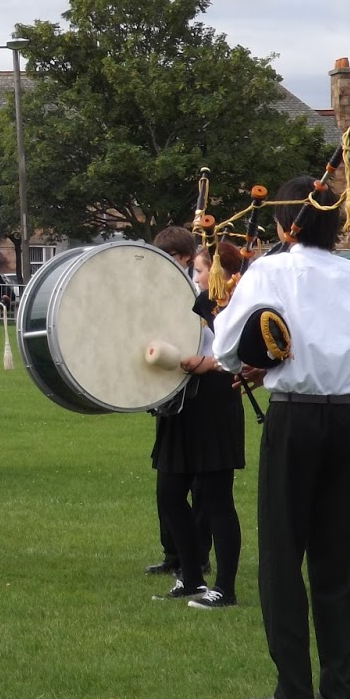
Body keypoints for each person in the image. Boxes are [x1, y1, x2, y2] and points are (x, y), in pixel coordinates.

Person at [212, 175, 350, 699]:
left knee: (283, 555)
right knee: (335, 556)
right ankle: (343, 687)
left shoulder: (273, 268)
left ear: (287, 223)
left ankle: (295, 690)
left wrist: (252, 360)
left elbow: (227, 347)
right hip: (342, 416)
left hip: (295, 417)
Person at [151, 239, 246, 611]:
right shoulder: (190, 302)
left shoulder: (233, 306)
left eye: (203, 269)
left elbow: (242, 354)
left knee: (216, 499)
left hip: (215, 401)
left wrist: (207, 364)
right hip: (181, 403)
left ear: (219, 272)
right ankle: (191, 577)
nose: (197, 275)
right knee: (170, 494)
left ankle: (225, 588)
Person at [144, 227, 212, 581]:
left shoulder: (201, 291)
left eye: (170, 257)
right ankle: (173, 553)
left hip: (201, 394)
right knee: (166, 484)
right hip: (170, 392)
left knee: (200, 487)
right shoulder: (161, 290)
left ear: (185, 257)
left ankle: (198, 556)